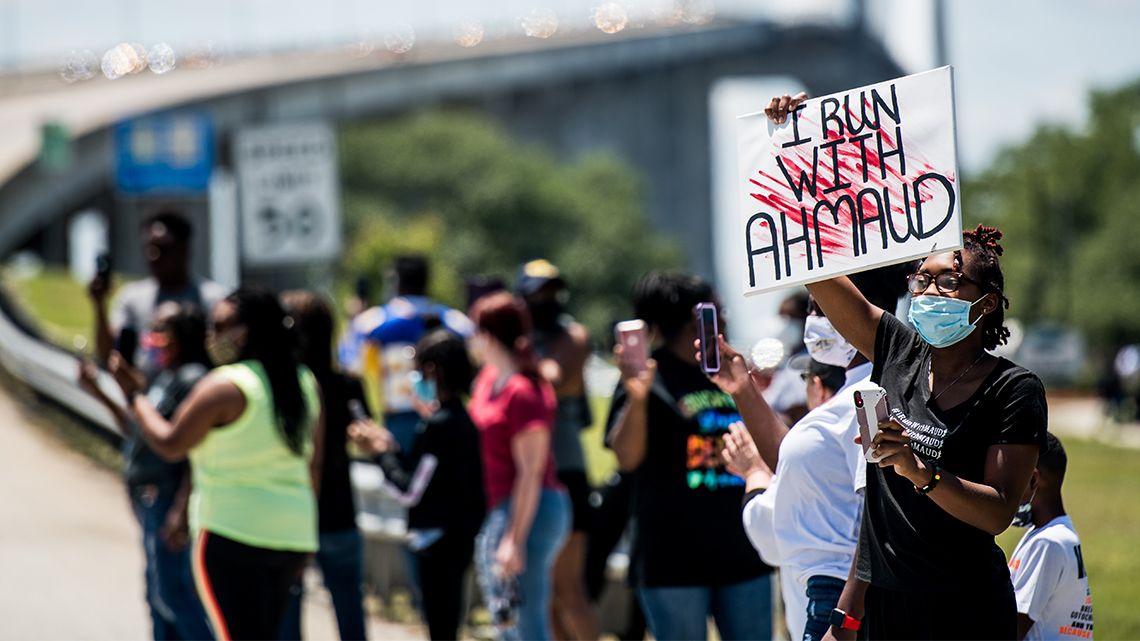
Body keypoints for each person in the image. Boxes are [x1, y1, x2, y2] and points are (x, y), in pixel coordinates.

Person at [109, 287, 326, 641]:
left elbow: (170, 442)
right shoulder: (305, 383)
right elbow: (313, 467)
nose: (212, 335)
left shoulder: (226, 386)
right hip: (294, 534)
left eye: (221, 325)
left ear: (247, 331)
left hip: (231, 531)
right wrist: (304, 529)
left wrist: (135, 395)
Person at [707, 266, 910, 641]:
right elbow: (797, 464)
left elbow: (882, 513)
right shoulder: (853, 392)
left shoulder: (872, 395)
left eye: (822, 308)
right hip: (822, 596)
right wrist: (742, 389)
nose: (813, 321)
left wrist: (846, 617)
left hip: (840, 599)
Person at [605, 272, 773, 641]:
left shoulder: (727, 371)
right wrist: (636, 397)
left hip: (743, 553)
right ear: (697, 316)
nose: (724, 318)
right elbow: (626, 458)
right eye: (717, 309)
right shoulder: (648, 375)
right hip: (672, 562)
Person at [77, 301, 215, 641]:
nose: (152, 338)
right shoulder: (166, 377)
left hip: (167, 499)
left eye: (160, 331)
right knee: (158, 597)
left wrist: (180, 510)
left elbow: (193, 450)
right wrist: (100, 391)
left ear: (182, 336)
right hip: (149, 500)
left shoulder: (193, 379)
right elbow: (140, 428)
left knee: (174, 595)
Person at [348, 328, 487, 641]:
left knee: (441, 625)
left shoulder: (440, 426)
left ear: (431, 371)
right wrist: (392, 449)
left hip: (439, 542)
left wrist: (381, 453)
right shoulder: (457, 419)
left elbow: (409, 490)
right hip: (458, 536)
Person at [467, 292, 571, 641]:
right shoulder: (487, 380)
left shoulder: (523, 391)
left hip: (533, 507)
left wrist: (514, 538)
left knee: (527, 622)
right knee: (504, 618)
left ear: (490, 333)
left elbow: (531, 470)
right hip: (503, 505)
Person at [515, 258, 600, 641]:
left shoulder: (573, 337)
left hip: (566, 472)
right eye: (539, 293)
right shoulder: (521, 343)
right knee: (544, 597)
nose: (549, 300)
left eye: (553, 291)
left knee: (568, 590)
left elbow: (554, 377)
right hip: (528, 473)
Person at [278, 291, 369, 641]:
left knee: (287, 620)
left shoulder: (284, 388)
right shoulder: (348, 385)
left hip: (291, 513)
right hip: (339, 511)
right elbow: (363, 432)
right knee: (350, 614)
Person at [351, 255, 475, 452]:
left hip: (398, 417)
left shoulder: (375, 321)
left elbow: (349, 360)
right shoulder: (449, 318)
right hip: (445, 413)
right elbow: (473, 339)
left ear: (396, 281)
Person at [90, 210, 228, 372]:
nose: (154, 256)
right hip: (142, 393)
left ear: (184, 250)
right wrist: (99, 304)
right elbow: (109, 354)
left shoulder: (215, 300)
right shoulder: (132, 297)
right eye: (149, 248)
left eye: (163, 249)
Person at [1009, 433, 1094, 641]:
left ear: (1034, 479)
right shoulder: (1053, 534)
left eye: (1012, 475)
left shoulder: (1048, 542)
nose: (1005, 484)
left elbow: (1012, 629)